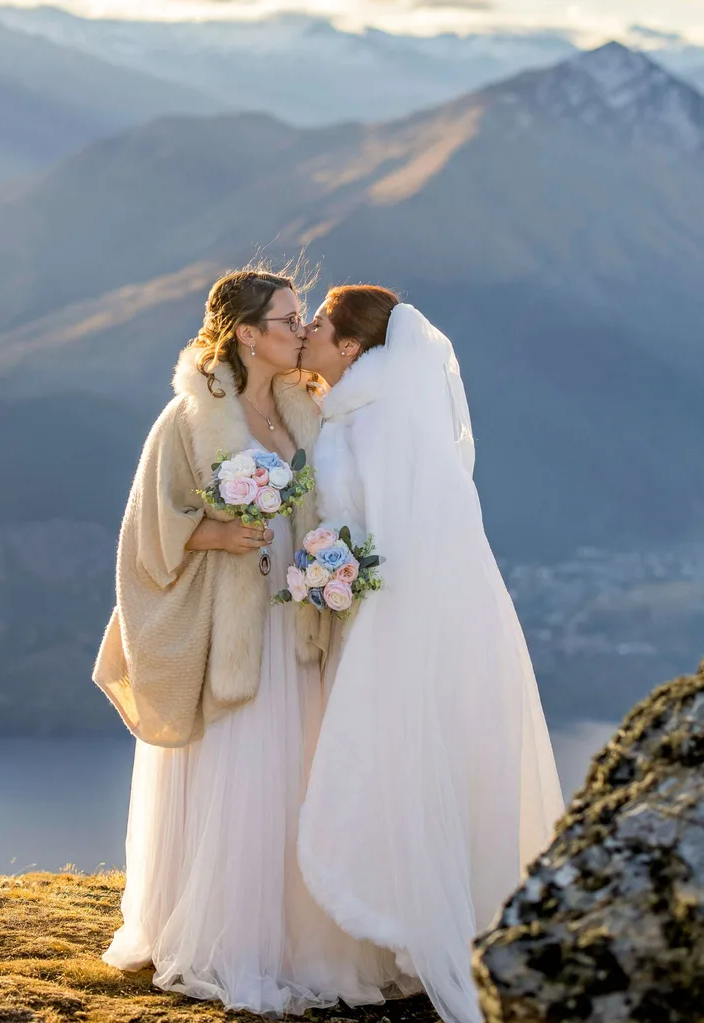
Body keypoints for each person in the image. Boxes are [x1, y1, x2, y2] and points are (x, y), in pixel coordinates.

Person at [93, 269, 414, 1014]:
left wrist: (333, 563)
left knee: (297, 779)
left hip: (292, 621)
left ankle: (301, 940)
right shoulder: (189, 418)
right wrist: (216, 530)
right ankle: (234, 943)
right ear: (246, 333)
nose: (301, 330)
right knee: (238, 780)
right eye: (288, 318)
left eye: (302, 317)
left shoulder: (309, 409)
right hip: (229, 630)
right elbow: (146, 531)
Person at [297, 285, 565, 1023]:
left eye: (319, 323)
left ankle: (412, 925)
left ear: (351, 346)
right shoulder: (364, 410)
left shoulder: (379, 423)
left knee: (390, 764)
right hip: (388, 614)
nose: (309, 331)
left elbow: (397, 537)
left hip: (397, 623)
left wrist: (339, 573)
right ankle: (401, 927)